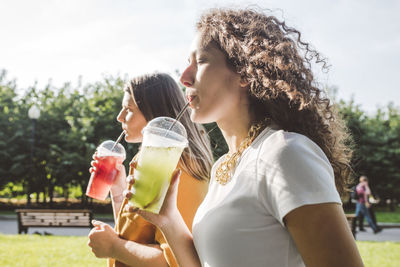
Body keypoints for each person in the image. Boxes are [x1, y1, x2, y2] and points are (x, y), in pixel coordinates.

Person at [124, 8, 364, 267]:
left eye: (201, 61)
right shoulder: (222, 168)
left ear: (245, 72)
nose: (184, 77)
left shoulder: (285, 153)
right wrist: (167, 218)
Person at [87, 73, 213, 267]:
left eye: (128, 109)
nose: (119, 117)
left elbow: (174, 260)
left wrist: (113, 247)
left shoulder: (178, 168)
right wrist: (117, 188)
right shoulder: (147, 161)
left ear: (155, 114)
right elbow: (137, 233)